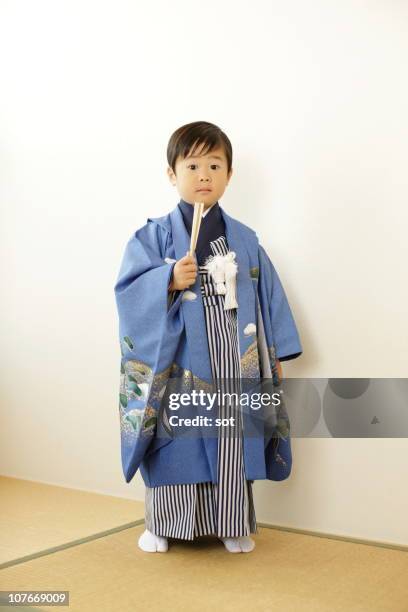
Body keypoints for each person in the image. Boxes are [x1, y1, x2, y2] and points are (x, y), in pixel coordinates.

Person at [114, 121, 303, 554]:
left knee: (235, 437)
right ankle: (163, 524)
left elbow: (268, 291)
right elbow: (128, 291)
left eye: (214, 165)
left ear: (229, 175)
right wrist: (166, 279)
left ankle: (232, 523)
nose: (204, 175)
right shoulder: (155, 235)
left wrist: (279, 349)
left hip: (235, 356)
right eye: (193, 164)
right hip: (181, 359)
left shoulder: (245, 240)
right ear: (171, 173)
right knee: (176, 434)